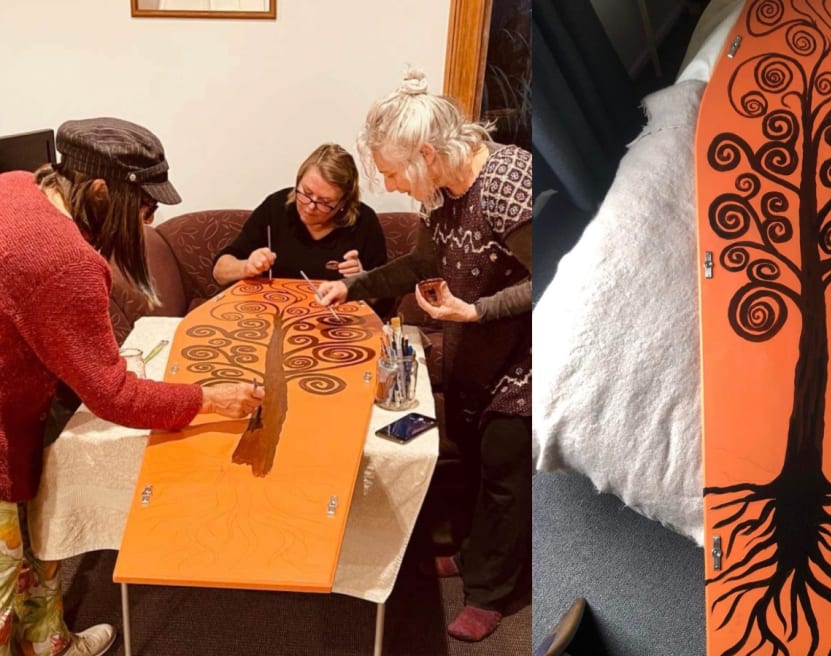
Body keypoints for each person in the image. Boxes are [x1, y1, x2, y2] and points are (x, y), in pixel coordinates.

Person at [0, 117, 263, 656]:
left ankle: (49, 643)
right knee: (3, 581)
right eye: (144, 206)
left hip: (17, 400)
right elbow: (114, 396)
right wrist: (211, 397)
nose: (150, 219)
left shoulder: (17, 182)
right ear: (100, 190)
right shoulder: (64, 260)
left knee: (35, 537)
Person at [317, 70, 531, 643]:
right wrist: (353, 287)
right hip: (477, 350)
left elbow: (556, 276)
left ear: (427, 154)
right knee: (476, 462)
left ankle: (491, 594)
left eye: (391, 173)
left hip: (528, 359)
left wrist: (477, 312)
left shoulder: (509, 181)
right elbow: (420, 264)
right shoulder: (441, 194)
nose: (388, 185)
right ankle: (470, 554)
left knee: (506, 475)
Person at [211, 143, 388, 292]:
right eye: (306, 193)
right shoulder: (276, 207)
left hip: (336, 324)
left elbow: (385, 301)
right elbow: (219, 271)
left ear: (344, 202)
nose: (311, 206)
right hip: (275, 316)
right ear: (298, 180)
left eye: (325, 202)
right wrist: (246, 267)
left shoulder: (364, 222)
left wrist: (362, 280)